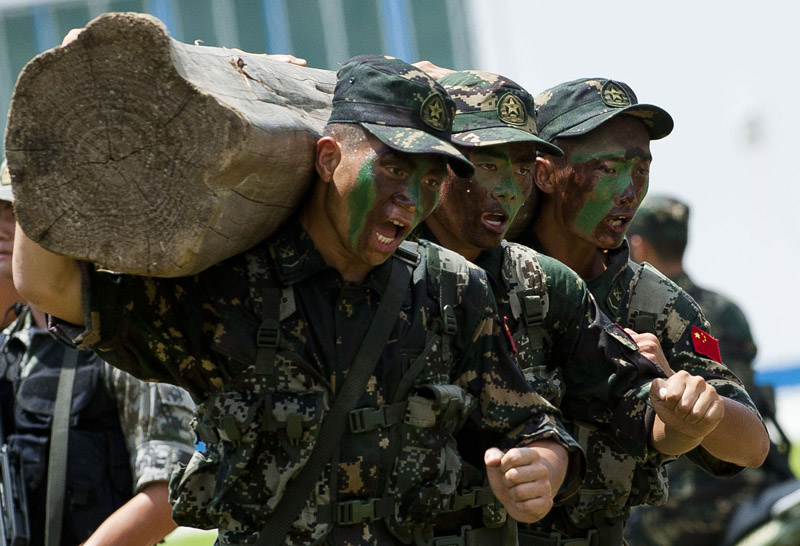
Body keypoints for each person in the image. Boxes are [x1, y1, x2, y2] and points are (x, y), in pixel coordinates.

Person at [11, 55, 588, 546]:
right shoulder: (230, 286)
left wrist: (544, 469)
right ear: (330, 158)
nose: (411, 199)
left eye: (431, 178)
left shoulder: (451, 289)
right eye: (392, 168)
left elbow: (530, 425)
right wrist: (58, 127)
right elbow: (51, 288)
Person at [510, 78, 770, 545]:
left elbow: (752, 444)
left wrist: (694, 409)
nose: (629, 191)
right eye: (607, 168)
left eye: (640, 170)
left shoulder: (658, 304)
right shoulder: (481, 276)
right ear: (544, 172)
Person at [0, 160, 196, 546]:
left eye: (19, 212)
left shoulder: (126, 344)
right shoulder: (11, 346)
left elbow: (173, 491)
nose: (5, 228)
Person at [625, 195, 793, 546]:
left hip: (671, 510)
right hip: (745, 493)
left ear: (638, 244)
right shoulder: (726, 309)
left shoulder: (638, 313)